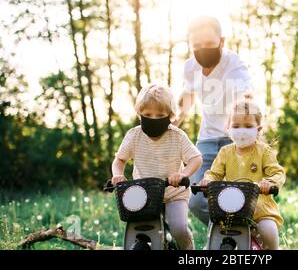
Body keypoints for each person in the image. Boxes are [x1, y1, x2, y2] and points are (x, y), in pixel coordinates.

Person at [173, 15, 254, 225]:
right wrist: (172, 124)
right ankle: (226, 231)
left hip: (235, 140)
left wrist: (244, 129)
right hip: (206, 141)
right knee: (195, 200)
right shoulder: (190, 67)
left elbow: (244, 97)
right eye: (197, 45)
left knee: (239, 199)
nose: (203, 49)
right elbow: (187, 98)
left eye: (209, 44)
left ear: (222, 41)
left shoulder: (234, 64)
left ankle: (242, 238)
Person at [111, 83, 203, 250]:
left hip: (174, 192)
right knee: (136, 230)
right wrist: (117, 174)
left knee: (179, 228)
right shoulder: (134, 135)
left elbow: (196, 158)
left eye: (160, 114)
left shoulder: (177, 135)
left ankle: (188, 250)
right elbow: (119, 160)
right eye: (147, 114)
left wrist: (183, 175)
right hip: (144, 194)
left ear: (170, 115)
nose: (153, 119)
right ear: (139, 114)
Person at [198, 94, 286, 250]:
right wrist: (207, 180)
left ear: (258, 130)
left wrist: (270, 183)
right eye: (236, 126)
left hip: (259, 210)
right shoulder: (225, 152)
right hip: (230, 209)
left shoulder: (263, 151)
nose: (241, 131)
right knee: (214, 238)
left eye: (247, 126)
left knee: (269, 231)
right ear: (228, 129)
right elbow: (214, 173)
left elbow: (277, 172)